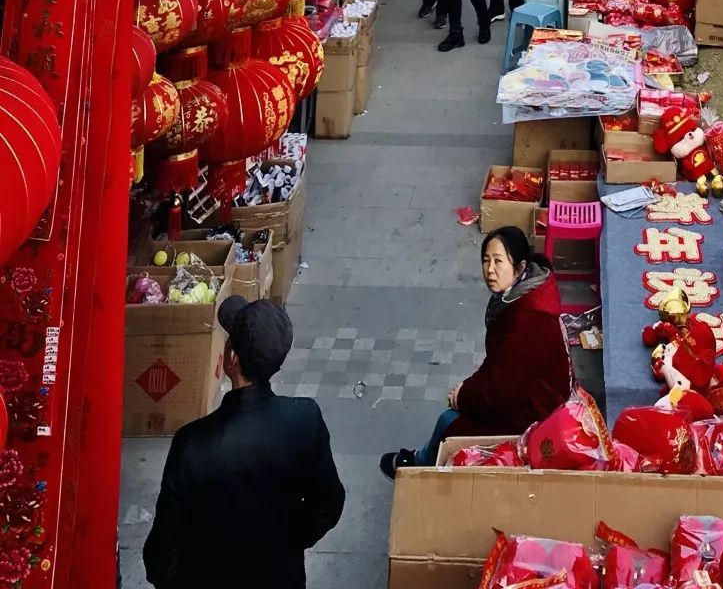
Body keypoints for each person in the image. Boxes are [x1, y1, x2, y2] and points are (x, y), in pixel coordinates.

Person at [144, 297, 344, 588]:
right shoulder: (304, 419)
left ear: (232, 358)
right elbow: (329, 504)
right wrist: (284, 545)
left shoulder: (192, 444)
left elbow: (161, 558)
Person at [380, 227, 573, 478]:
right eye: (486, 260)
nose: (490, 270)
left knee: (449, 423)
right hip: (530, 396)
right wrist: (468, 388)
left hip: (537, 414)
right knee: (450, 418)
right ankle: (422, 458)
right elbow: (500, 365)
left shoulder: (528, 319)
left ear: (520, 266)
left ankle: (419, 468)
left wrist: (464, 397)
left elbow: (503, 390)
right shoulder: (523, 296)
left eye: (498, 261)